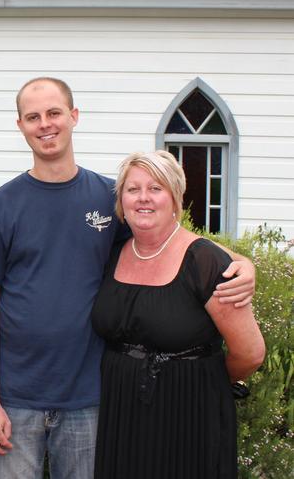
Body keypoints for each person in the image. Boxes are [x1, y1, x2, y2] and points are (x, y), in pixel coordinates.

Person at [0, 77, 255, 479]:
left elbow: (166, 241)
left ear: (74, 116)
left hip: (92, 399)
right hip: (16, 401)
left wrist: (241, 260)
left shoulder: (109, 198)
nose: (45, 124)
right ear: (21, 126)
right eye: (33, 117)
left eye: (54, 113)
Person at [90, 150, 265, 479]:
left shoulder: (206, 262)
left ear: (175, 199)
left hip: (190, 413)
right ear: (121, 201)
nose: (144, 198)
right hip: (122, 411)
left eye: (156, 189)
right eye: (133, 189)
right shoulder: (113, 253)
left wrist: (203, 378)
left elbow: (250, 353)